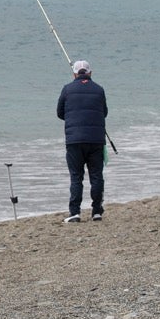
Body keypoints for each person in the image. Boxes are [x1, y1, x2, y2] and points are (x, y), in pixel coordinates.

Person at [56, 60, 108, 223]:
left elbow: (60, 113)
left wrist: (73, 118)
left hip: (74, 140)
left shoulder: (67, 89)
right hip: (96, 139)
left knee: (76, 177)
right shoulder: (99, 90)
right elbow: (104, 112)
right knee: (96, 176)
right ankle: (97, 211)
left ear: (75, 74)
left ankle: (75, 212)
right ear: (90, 73)